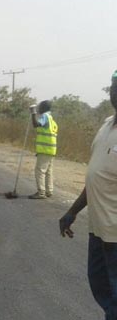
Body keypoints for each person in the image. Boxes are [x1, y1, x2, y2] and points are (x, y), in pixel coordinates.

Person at [59, 70, 117, 319]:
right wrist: (72, 212)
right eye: (114, 85)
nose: (115, 91)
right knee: (100, 286)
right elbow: (95, 177)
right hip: (98, 229)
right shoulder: (106, 125)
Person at [29, 100, 58, 199]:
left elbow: (36, 124)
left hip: (45, 149)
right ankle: (49, 191)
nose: (39, 109)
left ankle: (41, 192)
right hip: (51, 150)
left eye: (40, 107)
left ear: (44, 108)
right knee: (49, 171)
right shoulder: (52, 120)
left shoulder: (45, 117)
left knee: (40, 171)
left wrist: (33, 113)